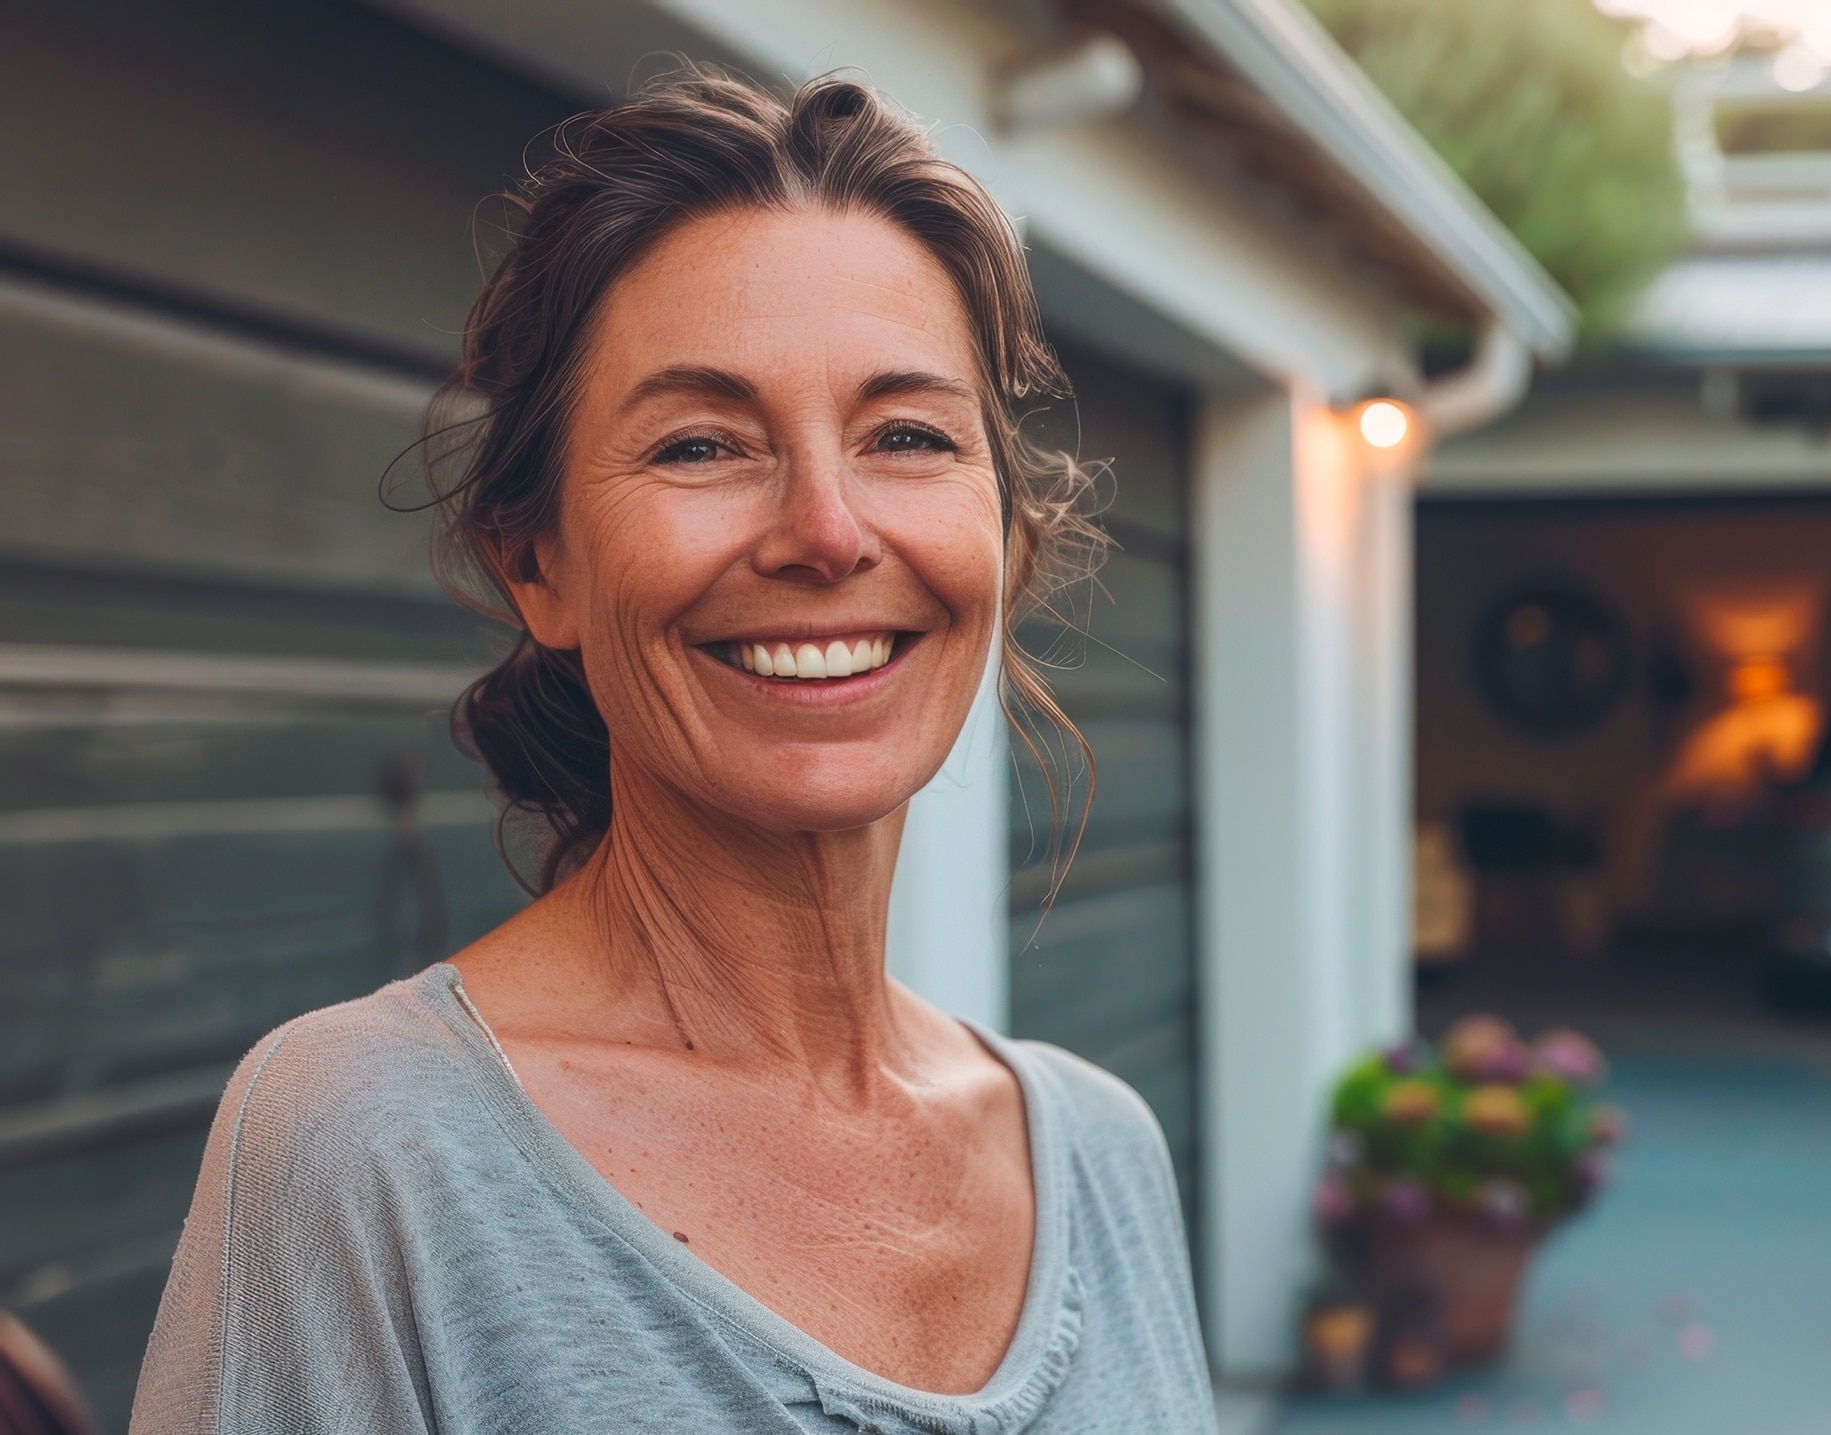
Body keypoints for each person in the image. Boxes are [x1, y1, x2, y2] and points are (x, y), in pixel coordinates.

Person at [133, 71, 1213, 1433]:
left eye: (908, 436)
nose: (826, 530)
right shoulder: (371, 1145)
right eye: (702, 443)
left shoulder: (1101, 1153)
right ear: (538, 566)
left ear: (1004, 539)